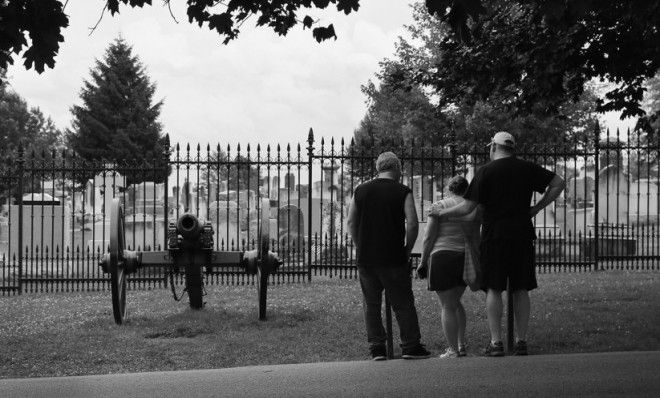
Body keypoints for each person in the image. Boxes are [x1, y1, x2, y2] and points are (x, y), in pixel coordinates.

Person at [429, 132, 565, 356]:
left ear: (494, 146)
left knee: (494, 288)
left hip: (494, 236)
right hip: (522, 233)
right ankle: (521, 341)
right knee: (521, 288)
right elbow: (558, 183)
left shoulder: (485, 171)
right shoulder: (527, 168)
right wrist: (537, 208)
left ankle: (496, 343)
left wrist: (441, 211)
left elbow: (467, 208)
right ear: (512, 148)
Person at [347, 151, 432, 361]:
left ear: (378, 168)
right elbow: (412, 223)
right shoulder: (402, 191)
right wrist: (407, 249)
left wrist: (360, 246)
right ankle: (410, 345)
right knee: (403, 302)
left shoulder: (360, 190)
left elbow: (351, 223)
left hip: (367, 258)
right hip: (393, 256)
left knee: (371, 304)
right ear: (396, 168)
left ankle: (377, 348)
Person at [417, 176, 481, 358]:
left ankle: (453, 349)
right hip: (465, 258)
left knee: (447, 306)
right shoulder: (472, 207)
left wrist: (422, 261)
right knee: (456, 302)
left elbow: (429, 236)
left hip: (442, 256)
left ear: (449, 189)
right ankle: (461, 345)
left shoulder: (440, 206)